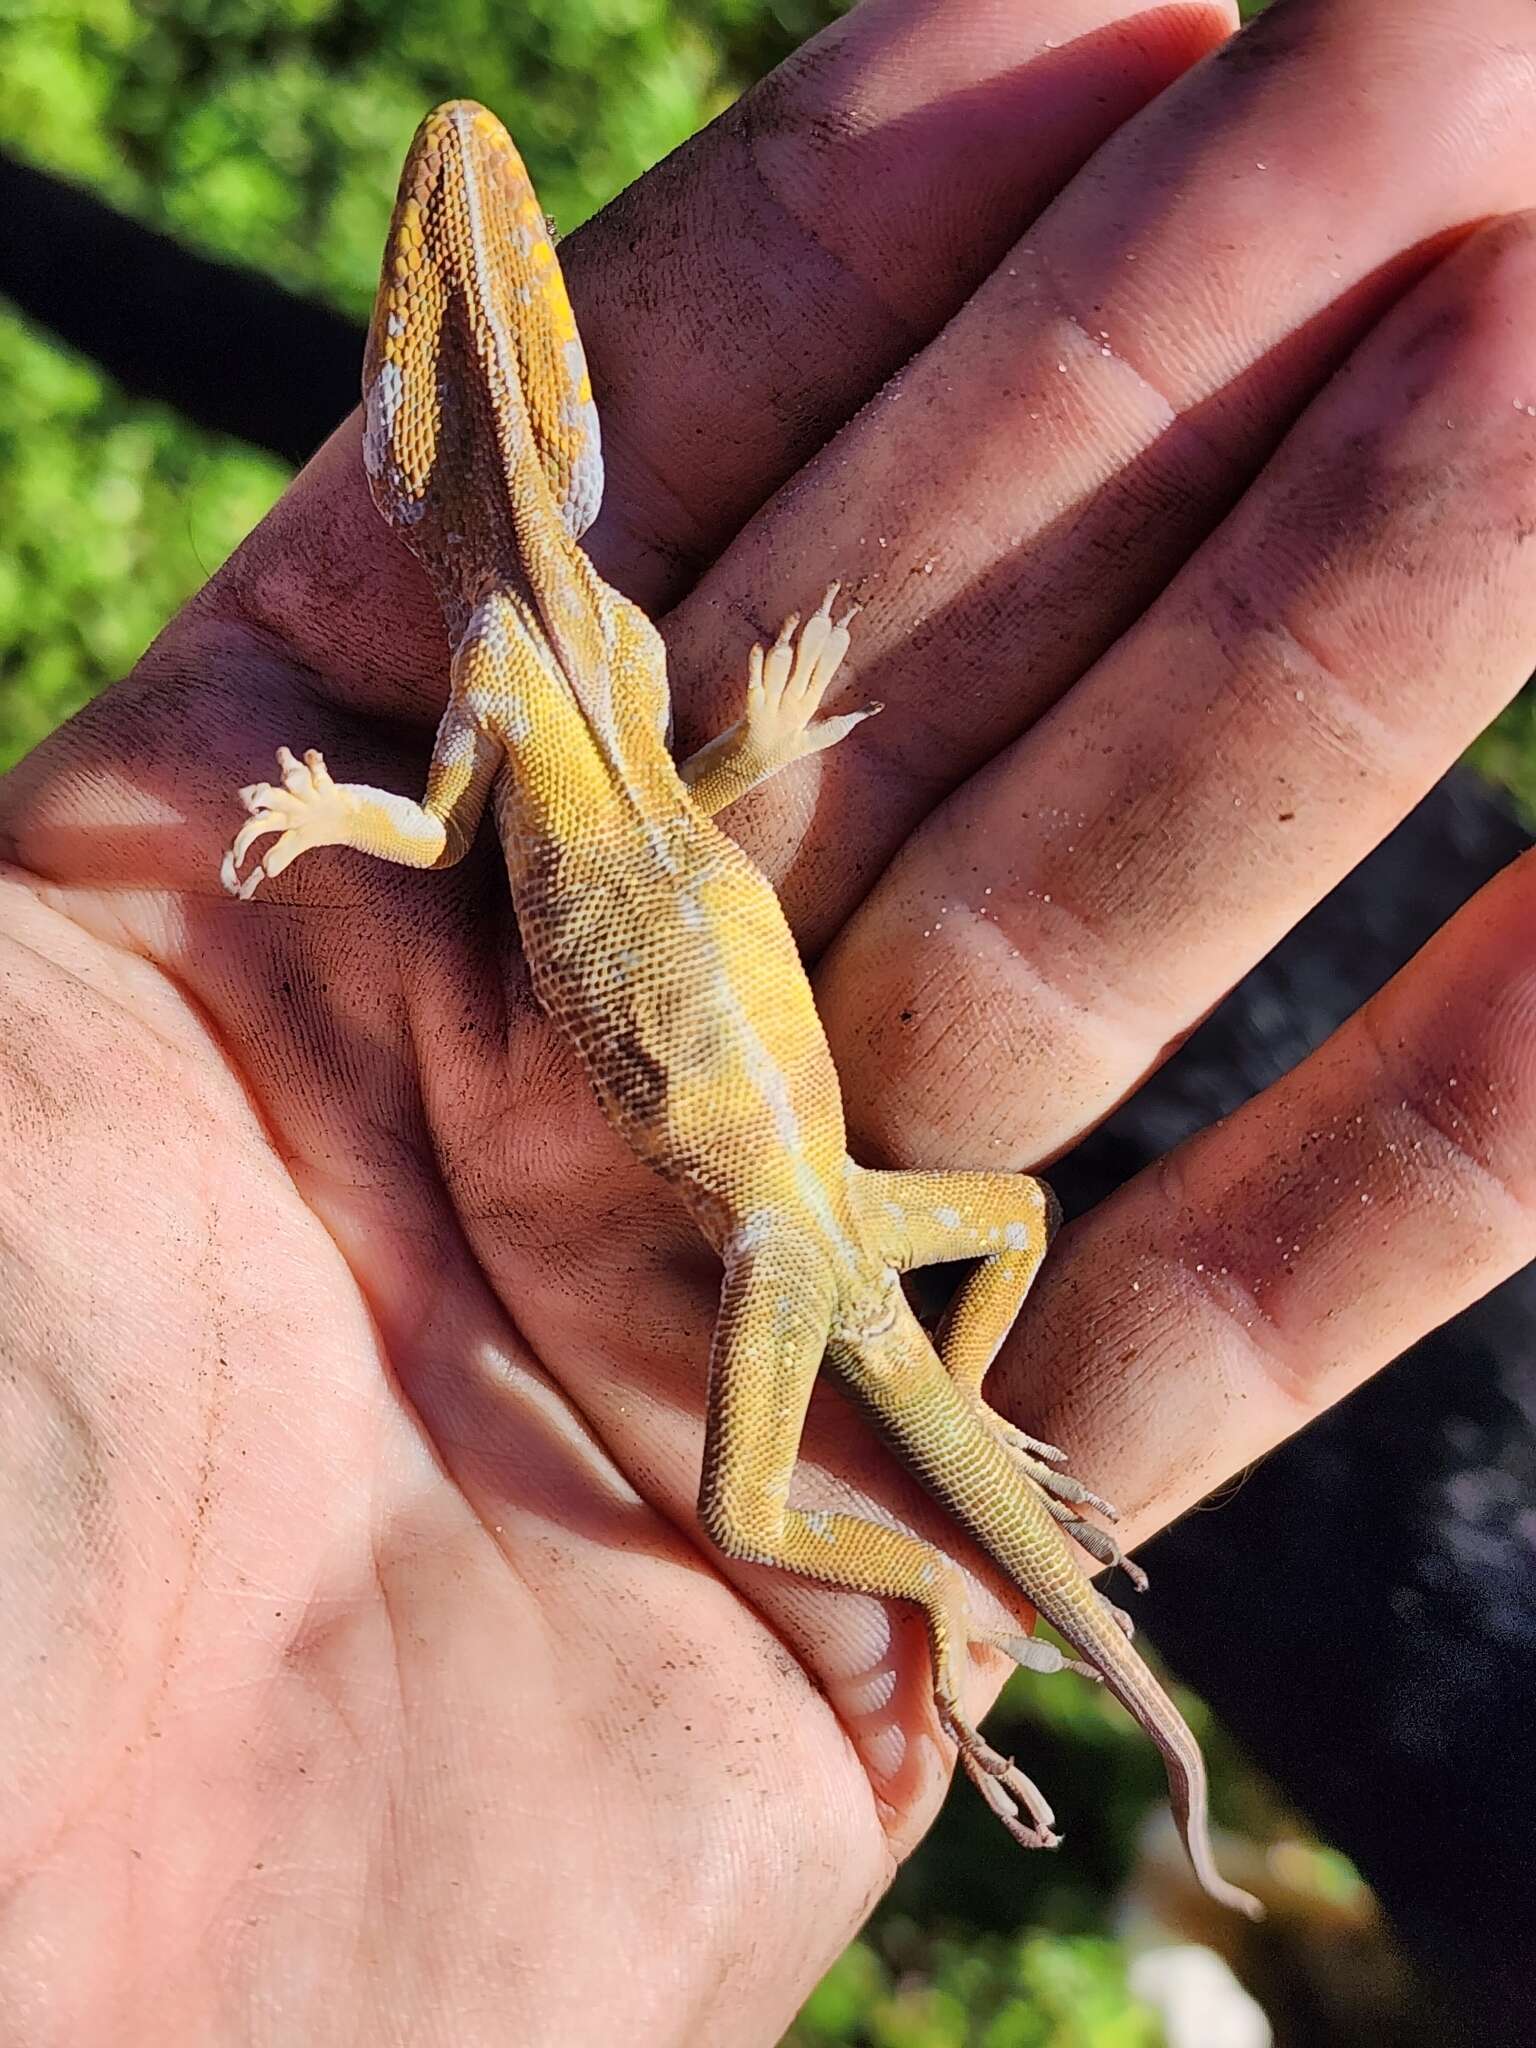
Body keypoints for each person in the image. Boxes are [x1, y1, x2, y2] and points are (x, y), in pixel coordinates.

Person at [2, 0, 1534, 2036]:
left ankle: (968, 1576)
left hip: (791, 1215)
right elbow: (508, 807)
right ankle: (981, 1566)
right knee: (945, 1299)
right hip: (809, 1213)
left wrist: (676, 753)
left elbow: (467, 821)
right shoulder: (568, 646)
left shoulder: (553, 659)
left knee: (797, 1459)